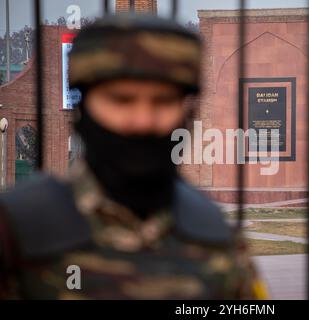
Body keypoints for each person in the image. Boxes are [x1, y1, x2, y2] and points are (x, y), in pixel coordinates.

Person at [0, 13, 268, 299]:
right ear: (83, 107)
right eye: (121, 100)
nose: (142, 120)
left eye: (162, 101)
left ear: (187, 112)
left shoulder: (215, 235)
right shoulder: (17, 229)